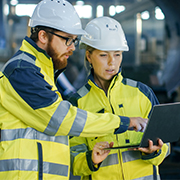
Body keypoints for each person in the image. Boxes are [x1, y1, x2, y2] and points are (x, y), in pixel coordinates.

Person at [0, 1, 148, 180]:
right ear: (43, 36)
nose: (72, 47)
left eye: (74, 40)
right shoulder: (21, 70)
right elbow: (60, 119)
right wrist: (121, 122)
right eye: (67, 39)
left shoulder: (42, 71)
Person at [69, 16, 170, 180]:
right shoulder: (77, 104)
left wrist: (156, 150)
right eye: (103, 55)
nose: (112, 63)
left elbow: (165, 144)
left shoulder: (142, 93)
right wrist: (90, 159)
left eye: (117, 54)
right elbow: (72, 157)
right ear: (88, 56)